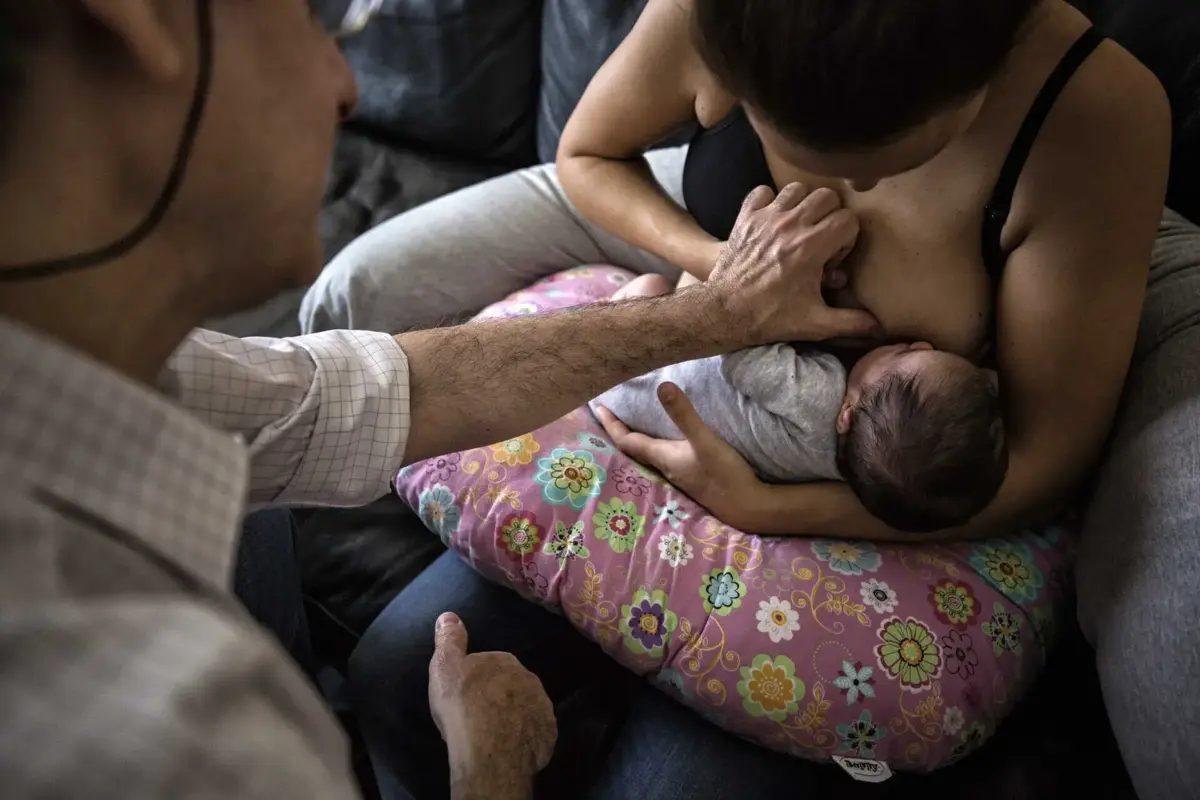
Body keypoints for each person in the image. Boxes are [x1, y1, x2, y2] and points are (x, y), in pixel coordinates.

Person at [0, 2, 883, 799]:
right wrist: (489, 764)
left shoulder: (136, 383)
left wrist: (717, 315)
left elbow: (364, 395)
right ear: (137, 23)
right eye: (318, 20)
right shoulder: (190, 744)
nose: (348, 86)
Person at [304, 0, 1179, 797]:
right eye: (791, 146)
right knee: (396, 670)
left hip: (827, 478)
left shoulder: (1094, 119)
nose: (852, 198)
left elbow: (1044, 462)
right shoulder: (736, 16)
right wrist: (724, 281)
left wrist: (767, 506)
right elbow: (590, 150)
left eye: (875, 167)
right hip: (700, 334)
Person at [593, 274, 1006, 534]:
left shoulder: (817, 397)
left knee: (651, 286)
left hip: (634, 376)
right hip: (639, 413)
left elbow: (740, 358)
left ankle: (612, 314)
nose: (919, 343)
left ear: (845, 414)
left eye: (901, 355)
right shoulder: (861, 472)